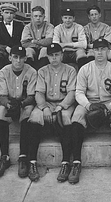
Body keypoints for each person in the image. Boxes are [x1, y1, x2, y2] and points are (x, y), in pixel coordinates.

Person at [69, 38, 111, 184]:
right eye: (97, 49)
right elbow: (79, 93)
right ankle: (76, 162)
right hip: (89, 101)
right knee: (76, 118)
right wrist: (88, 106)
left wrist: (110, 107)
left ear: (108, 51)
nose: (100, 52)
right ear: (92, 51)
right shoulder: (85, 69)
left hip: (108, 102)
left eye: (103, 49)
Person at [27, 43, 77, 182]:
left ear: (62, 55)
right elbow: (39, 93)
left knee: (65, 118)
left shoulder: (70, 70)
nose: (54, 58)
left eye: (57, 54)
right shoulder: (42, 71)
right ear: (47, 57)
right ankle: (32, 162)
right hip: (47, 103)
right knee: (35, 117)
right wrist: (44, 107)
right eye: (51, 55)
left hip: (64, 103)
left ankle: (66, 162)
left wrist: (62, 106)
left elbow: (72, 93)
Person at [0, 46, 37, 179]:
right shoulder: (3, 72)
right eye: (15, 57)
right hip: (10, 102)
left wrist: (21, 104)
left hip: (25, 103)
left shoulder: (31, 71)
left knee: (27, 116)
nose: (18, 60)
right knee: (0, 117)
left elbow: (32, 95)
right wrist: (8, 105)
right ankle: (4, 156)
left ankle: (23, 157)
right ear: (10, 57)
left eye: (21, 57)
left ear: (25, 58)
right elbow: (1, 95)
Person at [0, 3, 25, 92]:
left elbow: (24, 41)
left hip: (17, 53)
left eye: (11, 13)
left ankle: (21, 89)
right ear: (2, 13)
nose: (9, 15)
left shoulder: (20, 26)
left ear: (14, 15)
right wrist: (4, 48)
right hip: (4, 53)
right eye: (7, 12)